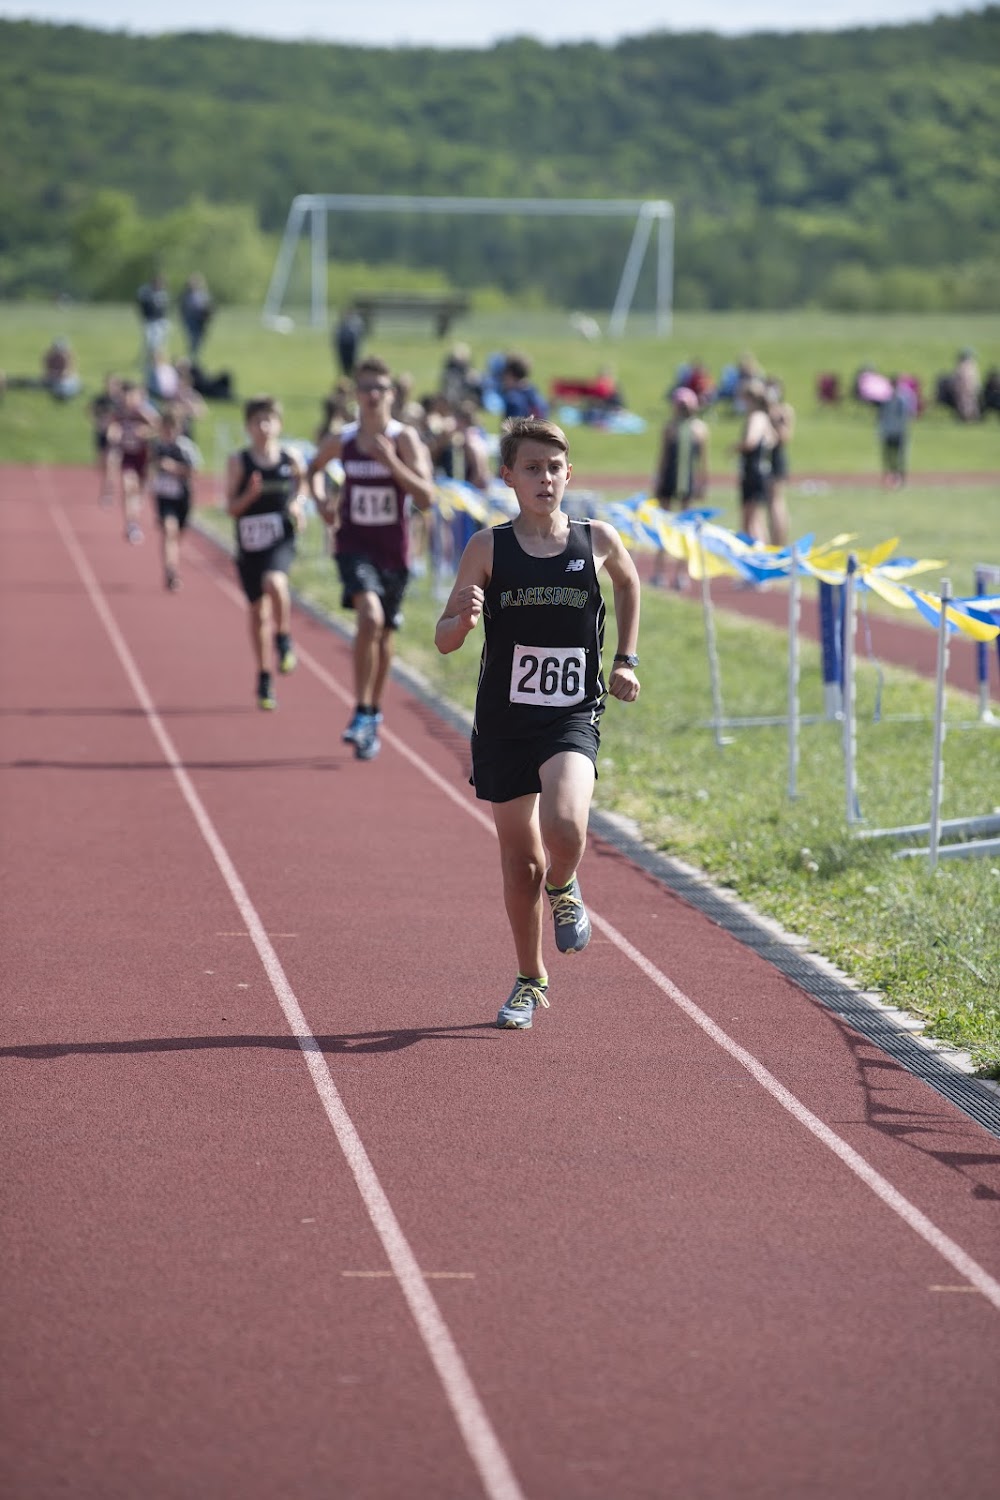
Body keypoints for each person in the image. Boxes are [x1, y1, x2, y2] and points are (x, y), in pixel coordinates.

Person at [434, 416, 641, 1031]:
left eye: (554, 468)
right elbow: (443, 639)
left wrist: (625, 659)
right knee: (522, 865)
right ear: (508, 477)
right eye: (532, 468)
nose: (544, 479)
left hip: (572, 714)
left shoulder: (596, 540)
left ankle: (566, 885)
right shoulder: (486, 548)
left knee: (566, 824)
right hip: (504, 723)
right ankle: (530, 978)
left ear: (569, 474)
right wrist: (462, 621)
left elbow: (629, 584)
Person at [307, 356, 435, 761]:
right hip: (353, 546)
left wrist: (391, 463)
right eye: (365, 388)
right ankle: (361, 708)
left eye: (380, 388)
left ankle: (373, 713)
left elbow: (426, 497)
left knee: (385, 634)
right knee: (370, 618)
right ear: (356, 394)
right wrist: (321, 503)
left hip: (394, 552)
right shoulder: (343, 439)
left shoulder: (404, 439)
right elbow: (313, 468)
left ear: (391, 394)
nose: (373, 395)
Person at [225, 396, 308, 711]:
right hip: (249, 545)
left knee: (276, 582)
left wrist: (298, 504)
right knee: (258, 612)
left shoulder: (290, 457)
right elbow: (231, 509)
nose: (263, 427)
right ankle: (263, 676)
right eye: (257, 421)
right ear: (248, 427)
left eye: (268, 420)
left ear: (279, 424)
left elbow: (303, 484)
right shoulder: (239, 462)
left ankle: (283, 638)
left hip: (279, 539)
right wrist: (249, 495)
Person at [651, 386, 709, 589]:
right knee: (664, 525)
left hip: (688, 481)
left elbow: (702, 461)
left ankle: (682, 573)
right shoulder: (670, 427)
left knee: (685, 527)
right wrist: (657, 479)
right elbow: (663, 456)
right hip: (670, 479)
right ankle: (659, 571)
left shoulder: (699, 429)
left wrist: (703, 482)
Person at [149, 405, 201, 591]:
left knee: (177, 536)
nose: (168, 432)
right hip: (164, 497)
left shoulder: (185, 447)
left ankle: (172, 560)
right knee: (169, 531)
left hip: (182, 497)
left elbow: (194, 472)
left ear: (178, 429)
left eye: (172, 428)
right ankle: (171, 571)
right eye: (165, 428)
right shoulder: (157, 446)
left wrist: (174, 468)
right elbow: (150, 468)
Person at [105, 381, 159, 544]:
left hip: (144, 457)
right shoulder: (119, 412)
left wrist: (145, 432)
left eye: (130, 396)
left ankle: (139, 516)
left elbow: (158, 428)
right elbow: (112, 426)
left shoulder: (143, 412)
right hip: (127, 455)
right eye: (124, 397)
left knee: (139, 493)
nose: (126, 400)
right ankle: (132, 525)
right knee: (128, 487)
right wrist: (113, 434)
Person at [733, 379, 776, 547]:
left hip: (753, 471)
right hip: (761, 471)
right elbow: (773, 439)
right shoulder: (764, 417)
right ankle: (763, 552)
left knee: (750, 520)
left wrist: (735, 448)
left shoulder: (756, 417)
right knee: (757, 518)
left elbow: (750, 441)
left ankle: (757, 554)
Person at [765, 378, 794, 547]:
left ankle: (778, 542)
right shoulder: (768, 410)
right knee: (772, 503)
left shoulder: (782, 411)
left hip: (776, 458)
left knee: (776, 502)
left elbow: (784, 437)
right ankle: (774, 541)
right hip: (770, 458)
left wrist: (773, 419)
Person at [877, 376, 915, 489]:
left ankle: (900, 478)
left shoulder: (901, 400)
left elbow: (905, 416)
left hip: (898, 431)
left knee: (899, 457)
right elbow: (882, 417)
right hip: (889, 431)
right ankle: (889, 477)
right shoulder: (886, 401)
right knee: (889, 456)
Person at [179, 274, 213, 361]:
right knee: (192, 338)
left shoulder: (203, 294)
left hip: (201, 320)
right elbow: (182, 308)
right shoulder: (186, 295)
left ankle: (195, 356)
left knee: (199, 339)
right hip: (190, 319)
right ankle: (193, 357)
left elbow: (209, 307)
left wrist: (207, 317)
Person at [136, 274, 170, 360]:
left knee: (160, 341)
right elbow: (142, 305)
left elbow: (164, 307)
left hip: (161, 320)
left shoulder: (163, 293)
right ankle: (148, 358)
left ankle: (158, 358)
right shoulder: (147, 293)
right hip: (150, 320)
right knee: (150, 342)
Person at [333, 307, 365, 378]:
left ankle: (354, 378)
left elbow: (359, 336)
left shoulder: (356, 324)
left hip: (352, 348)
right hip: (343, 348)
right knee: (344, 365)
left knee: (354, 364)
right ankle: (345, 378)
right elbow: (336, 337)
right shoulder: (341, 324)